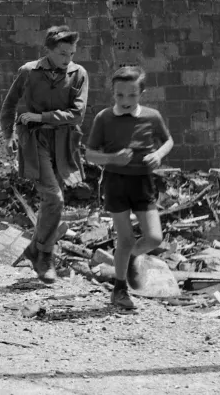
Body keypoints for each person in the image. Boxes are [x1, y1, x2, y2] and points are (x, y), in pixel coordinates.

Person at [0, 25, 89, 284]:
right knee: (55, 198)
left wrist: (42, 116)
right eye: (62, 53)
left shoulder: (79, 74)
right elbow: (9, 105)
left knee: (51, 203)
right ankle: (45, 256)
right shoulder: (28, 72)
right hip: (33, 141)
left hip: (64, 144)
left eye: (71, 53)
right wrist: (8, 135)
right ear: (48, 50)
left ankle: (34, 249)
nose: (68, 59)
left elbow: (78, 114)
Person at [85, 66, 173, 310]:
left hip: (143, 182)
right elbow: (90, 154)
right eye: (119, 95)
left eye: (132, 95)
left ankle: (134, 256)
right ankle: (120, 289)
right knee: (124, 239)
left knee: (154, 237)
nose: (125, 101)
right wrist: (113, 158)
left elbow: (168, 141)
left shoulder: (152, 116)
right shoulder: (104, 118)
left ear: (141, 93)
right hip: (115, 182)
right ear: (112, 93)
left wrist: (158, 155)